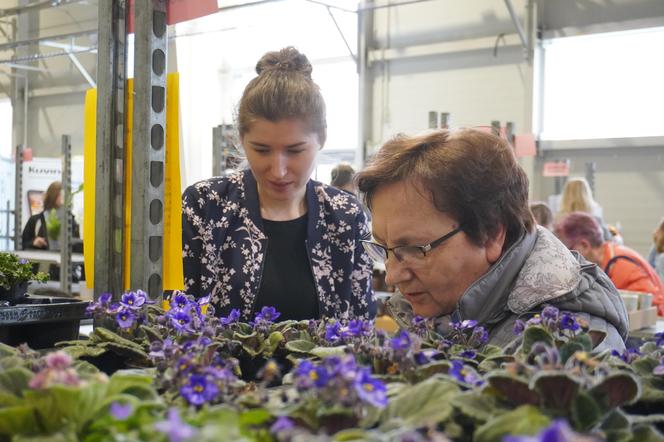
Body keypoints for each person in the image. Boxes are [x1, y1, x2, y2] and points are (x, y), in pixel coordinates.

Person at [356, 129, 628, 351]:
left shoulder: (570, 349)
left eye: (414, 249)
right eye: (384, 248)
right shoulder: (440, 304)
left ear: (491, 235)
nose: (391, 276)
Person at [182, 47, 374, 321]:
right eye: (261, 150)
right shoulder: (206, 205)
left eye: (295, 151)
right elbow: (179, 316)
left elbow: (360, 323)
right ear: (241, 138)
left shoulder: (345, 215)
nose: (279, 170)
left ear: (322, 137)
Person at [555, 212, 664, 316]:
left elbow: (654, 309)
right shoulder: (610, 258)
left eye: (568, 250)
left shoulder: (622, 265)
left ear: (584, 246)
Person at [21, 181, 80, 250]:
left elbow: (77, 247)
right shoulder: (35, 220)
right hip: (42, 259)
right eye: (62, 195)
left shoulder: (71, 221)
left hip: (64, 260)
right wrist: (34, 242)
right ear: (53, 196)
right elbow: (22, 245)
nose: (66, 199)